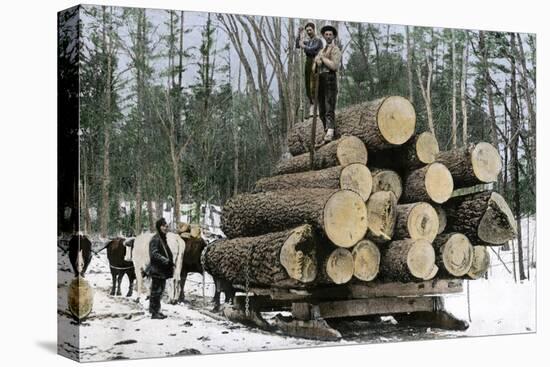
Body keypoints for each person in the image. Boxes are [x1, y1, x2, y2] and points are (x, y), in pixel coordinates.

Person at [314, 24, 341, 143]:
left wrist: (323, 59)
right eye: (326, 34)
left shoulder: (335, 49)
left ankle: (331, 131)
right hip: (320, 79)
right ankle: (326, 131)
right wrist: (316, 62)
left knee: (329, 105)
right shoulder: (321, 50)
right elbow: (314, 69)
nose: (328, 36)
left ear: (333, 36)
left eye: (330, 34)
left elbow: (334, 66)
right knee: (322, 109)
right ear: (324, 36)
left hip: (330, 78)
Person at [148, 218, 174, 319]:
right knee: (156, 292)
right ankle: (154, 313)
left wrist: (170, 261)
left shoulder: (162, 238)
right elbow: (154, 254)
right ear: (159, 227)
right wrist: (166, 261)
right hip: (157, 270)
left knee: (159, 291)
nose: (165, 228)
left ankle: (156, 310)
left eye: (166, 226)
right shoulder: (156, 239)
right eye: (163, 226)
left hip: (161, 270)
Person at [295, 22, 323, 117]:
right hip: (308, 62)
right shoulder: (308, 41)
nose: (309, 32)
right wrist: (299, 34)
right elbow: (297, 45)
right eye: (307, 31)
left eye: (310, 30)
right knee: (308, 84)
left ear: (314, 30)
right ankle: (312, 106)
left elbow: (313, 50)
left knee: (315, 84)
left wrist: (304, 47)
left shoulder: (318, 41)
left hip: (316, 62)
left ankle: (318, 108)